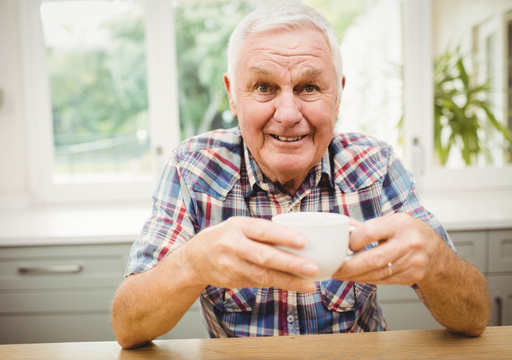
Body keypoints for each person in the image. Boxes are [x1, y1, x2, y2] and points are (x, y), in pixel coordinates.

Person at [111, 3, 490, 349]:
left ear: (337, 96)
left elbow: (475, 318)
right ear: (232, 94)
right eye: (264, 87)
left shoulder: (375, 167)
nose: (288, 114)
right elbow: (127, 327)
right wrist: (191, 264)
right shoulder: (193, 169)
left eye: (309, 87)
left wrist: (436, 262)